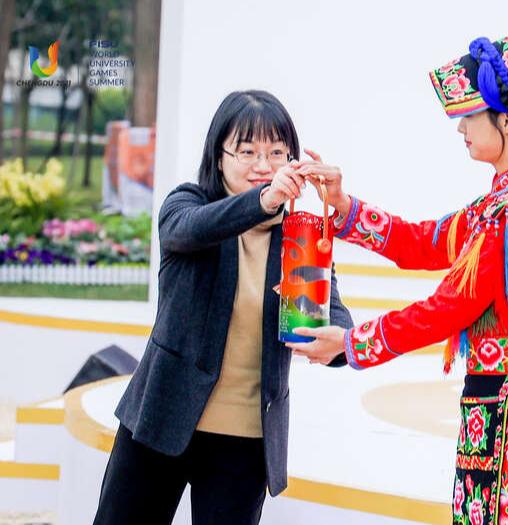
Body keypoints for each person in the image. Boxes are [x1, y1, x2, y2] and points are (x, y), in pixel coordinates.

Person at [289, 11, 508, 524]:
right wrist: (343, 208)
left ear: (507, 120)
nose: (461, 127)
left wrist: (351, 344)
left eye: (471, 115)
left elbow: (447, 309)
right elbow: (423, 242)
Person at [93, 90, 354, 525]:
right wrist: (263, 202)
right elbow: (188, 230)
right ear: (219, 156)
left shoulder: (300, 236)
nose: (263, 165)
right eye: (247, 151)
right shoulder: (188, 204)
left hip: (245, 439)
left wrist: (336, 340)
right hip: (161, 418)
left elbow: (334, 318)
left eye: (276, 152)